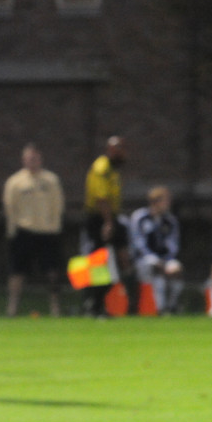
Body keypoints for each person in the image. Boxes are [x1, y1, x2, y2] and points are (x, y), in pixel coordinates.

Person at [3, 143, 65, 318]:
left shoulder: (51, 180)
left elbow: (57, 205)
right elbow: (10, 207)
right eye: (29, 158)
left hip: (47, 232)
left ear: (40, 159)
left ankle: (55, 308)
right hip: (24, 231)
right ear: (24, 160)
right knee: (17, 272)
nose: (32, 162)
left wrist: (55, 227)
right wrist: (12, 231)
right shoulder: (15, 182)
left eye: (35, 158)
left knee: (52, 272)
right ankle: (12, 309)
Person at [82, 136, 134, 317]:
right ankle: (95, 305)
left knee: (124, 259)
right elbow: (101, 198)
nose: (124, 154)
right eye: (121, 149)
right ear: (112, 150)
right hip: (99, 219)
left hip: (111, 217)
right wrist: (108, 223)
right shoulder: (102, 168)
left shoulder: (113, 170)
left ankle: (123, 303)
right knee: (99, 264)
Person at [129, 186, 184, 315]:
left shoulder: (170, 221)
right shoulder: (140, 218)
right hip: (143, 260)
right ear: (155, 202)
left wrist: (168, 260)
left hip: (165, 259)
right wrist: (153, 258)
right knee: (155, 268)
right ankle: (161, 308)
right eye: (165, 201)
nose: (168, 204)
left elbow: (173, 244)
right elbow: (138, 243)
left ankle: (172, 306)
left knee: (176, 270)